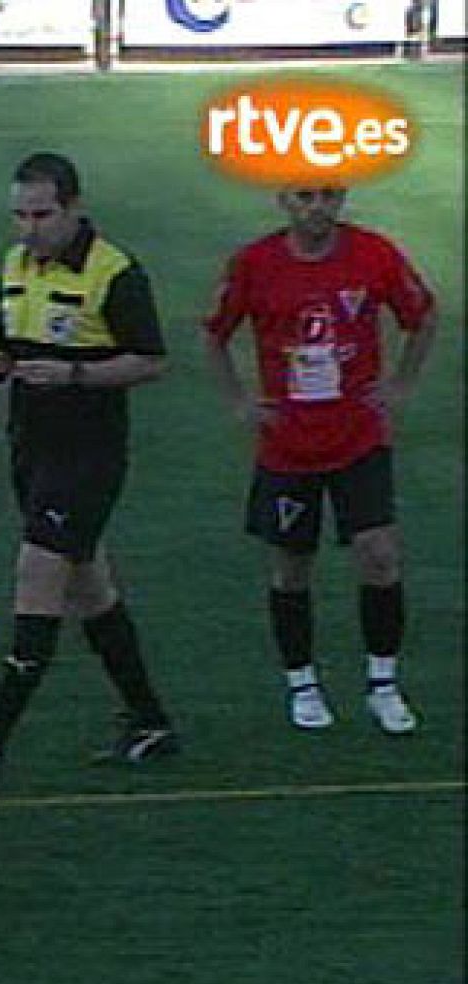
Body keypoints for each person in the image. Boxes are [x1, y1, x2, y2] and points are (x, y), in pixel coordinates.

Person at [0, 152, 177, 786]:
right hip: (31, 446)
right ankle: (148, 718)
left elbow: (151, 360)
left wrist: (76, 373)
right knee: (88, 586)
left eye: (42, 214)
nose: (28, 228)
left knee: (39, 573)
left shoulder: (114, 272)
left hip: (89, 454)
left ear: (74, 208)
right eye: (20, 215)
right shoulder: (15, 264)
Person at [201, 186, 437, 734]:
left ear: (342, 199)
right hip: (287, 446)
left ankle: (383, 681)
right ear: (284, 201)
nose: (317, 208)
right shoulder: (255, 263)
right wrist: (239, 401)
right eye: (305, 197)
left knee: (379, 554)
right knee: (291, 565)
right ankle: (302, 683)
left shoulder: (374, 254)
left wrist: (400, 385)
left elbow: (422, 316)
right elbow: (213, 333)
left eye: (328, 197)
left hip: (359, 438)